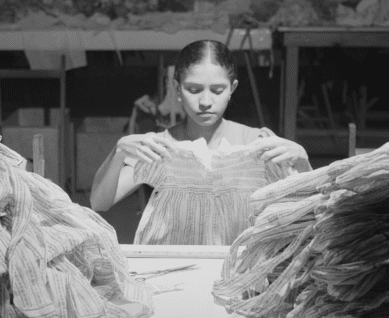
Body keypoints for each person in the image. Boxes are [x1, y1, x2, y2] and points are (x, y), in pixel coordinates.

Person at [90, 40, 311, 245]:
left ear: (232, 88)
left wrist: (303, 161)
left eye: (217, 90)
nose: (205, 102)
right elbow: (100, 202)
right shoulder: (161, 147)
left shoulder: (256, 143)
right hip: (172, 266)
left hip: (238, 267)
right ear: (177, 88)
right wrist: (117, 152)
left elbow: (312, 208)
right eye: (193, 90)